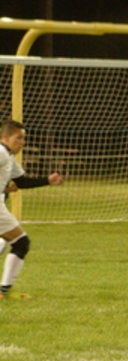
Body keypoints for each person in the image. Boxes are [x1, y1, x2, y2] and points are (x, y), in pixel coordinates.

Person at [0, 119, 64, 299]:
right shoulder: (2, 153)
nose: (22, 142)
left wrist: (47, 181)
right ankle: (4, 290)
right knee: (20, 242)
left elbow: (21, 182)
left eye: (23, 139)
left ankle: (4, 291)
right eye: (18, 138)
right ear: (5, 136)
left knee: (13, 242)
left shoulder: (9, 157)